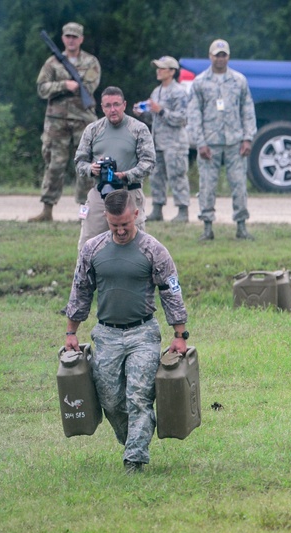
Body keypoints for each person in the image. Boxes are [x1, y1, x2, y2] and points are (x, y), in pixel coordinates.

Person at [64, 190, 189, 473]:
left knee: (139, 396)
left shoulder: (154, 250)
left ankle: (134, 460)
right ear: (106, 219)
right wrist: (71, 332)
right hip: (106, 334)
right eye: (113, 225)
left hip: (143, 333)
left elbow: (171, 292)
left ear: (136, 215)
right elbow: (80, 290)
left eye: (125, 225)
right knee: (110, 399)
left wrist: (179, 335)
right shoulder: (93, 249)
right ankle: (133, 438)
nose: (120, 231)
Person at [30, 22, 101, 222]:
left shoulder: (91, 62)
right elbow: (42, 88)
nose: (71, 40)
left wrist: (74, 85)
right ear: (63, 38)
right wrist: (64, 85)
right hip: (56, 121)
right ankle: (47, 210)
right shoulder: (52, 63)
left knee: (86, 166)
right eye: (68, 36)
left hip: (83, 120)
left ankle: (84, 213)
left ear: (81, 39)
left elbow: (89, 85)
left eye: (75, 36)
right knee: (54, 163)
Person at [187, 38, 258, 241]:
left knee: (239, 185)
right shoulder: (200, 82)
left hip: (235, 141)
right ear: (210, 57)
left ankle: (241, 226)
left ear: (228, 56)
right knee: (207, 186)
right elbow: (194, 114)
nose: (220, 58)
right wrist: (199, 142)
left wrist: (247, 138)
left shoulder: (239, 80)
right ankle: (207, 227)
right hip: (209, 142)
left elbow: (247, 110)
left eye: (223, 55)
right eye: (216, 55)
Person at [74, 86, 155, 251]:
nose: (113, 110)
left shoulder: (138, 129)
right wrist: (92, 169)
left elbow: (149, 162)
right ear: (102, 108)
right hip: (100, 192)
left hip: (129, 192)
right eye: (108, 106)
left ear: (124, 105)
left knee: (135, 246)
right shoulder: (93, 130)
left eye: (116, 104)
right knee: (89, 244)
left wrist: (125, 175)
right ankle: (87, 276)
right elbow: (79, 161)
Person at [134, 56, 191, 223]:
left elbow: (181, 119)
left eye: (162, 68)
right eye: (157, 68)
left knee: (177, 176)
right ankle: (157, 209)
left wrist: (161, 110)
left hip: (175, 143)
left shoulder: (178, 92)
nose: (158, 71)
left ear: (172, 71)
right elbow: (154, 119)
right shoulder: (156, 91)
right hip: (157, 141)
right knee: (156, 176)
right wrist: (143, 112)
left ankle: (183, 211)